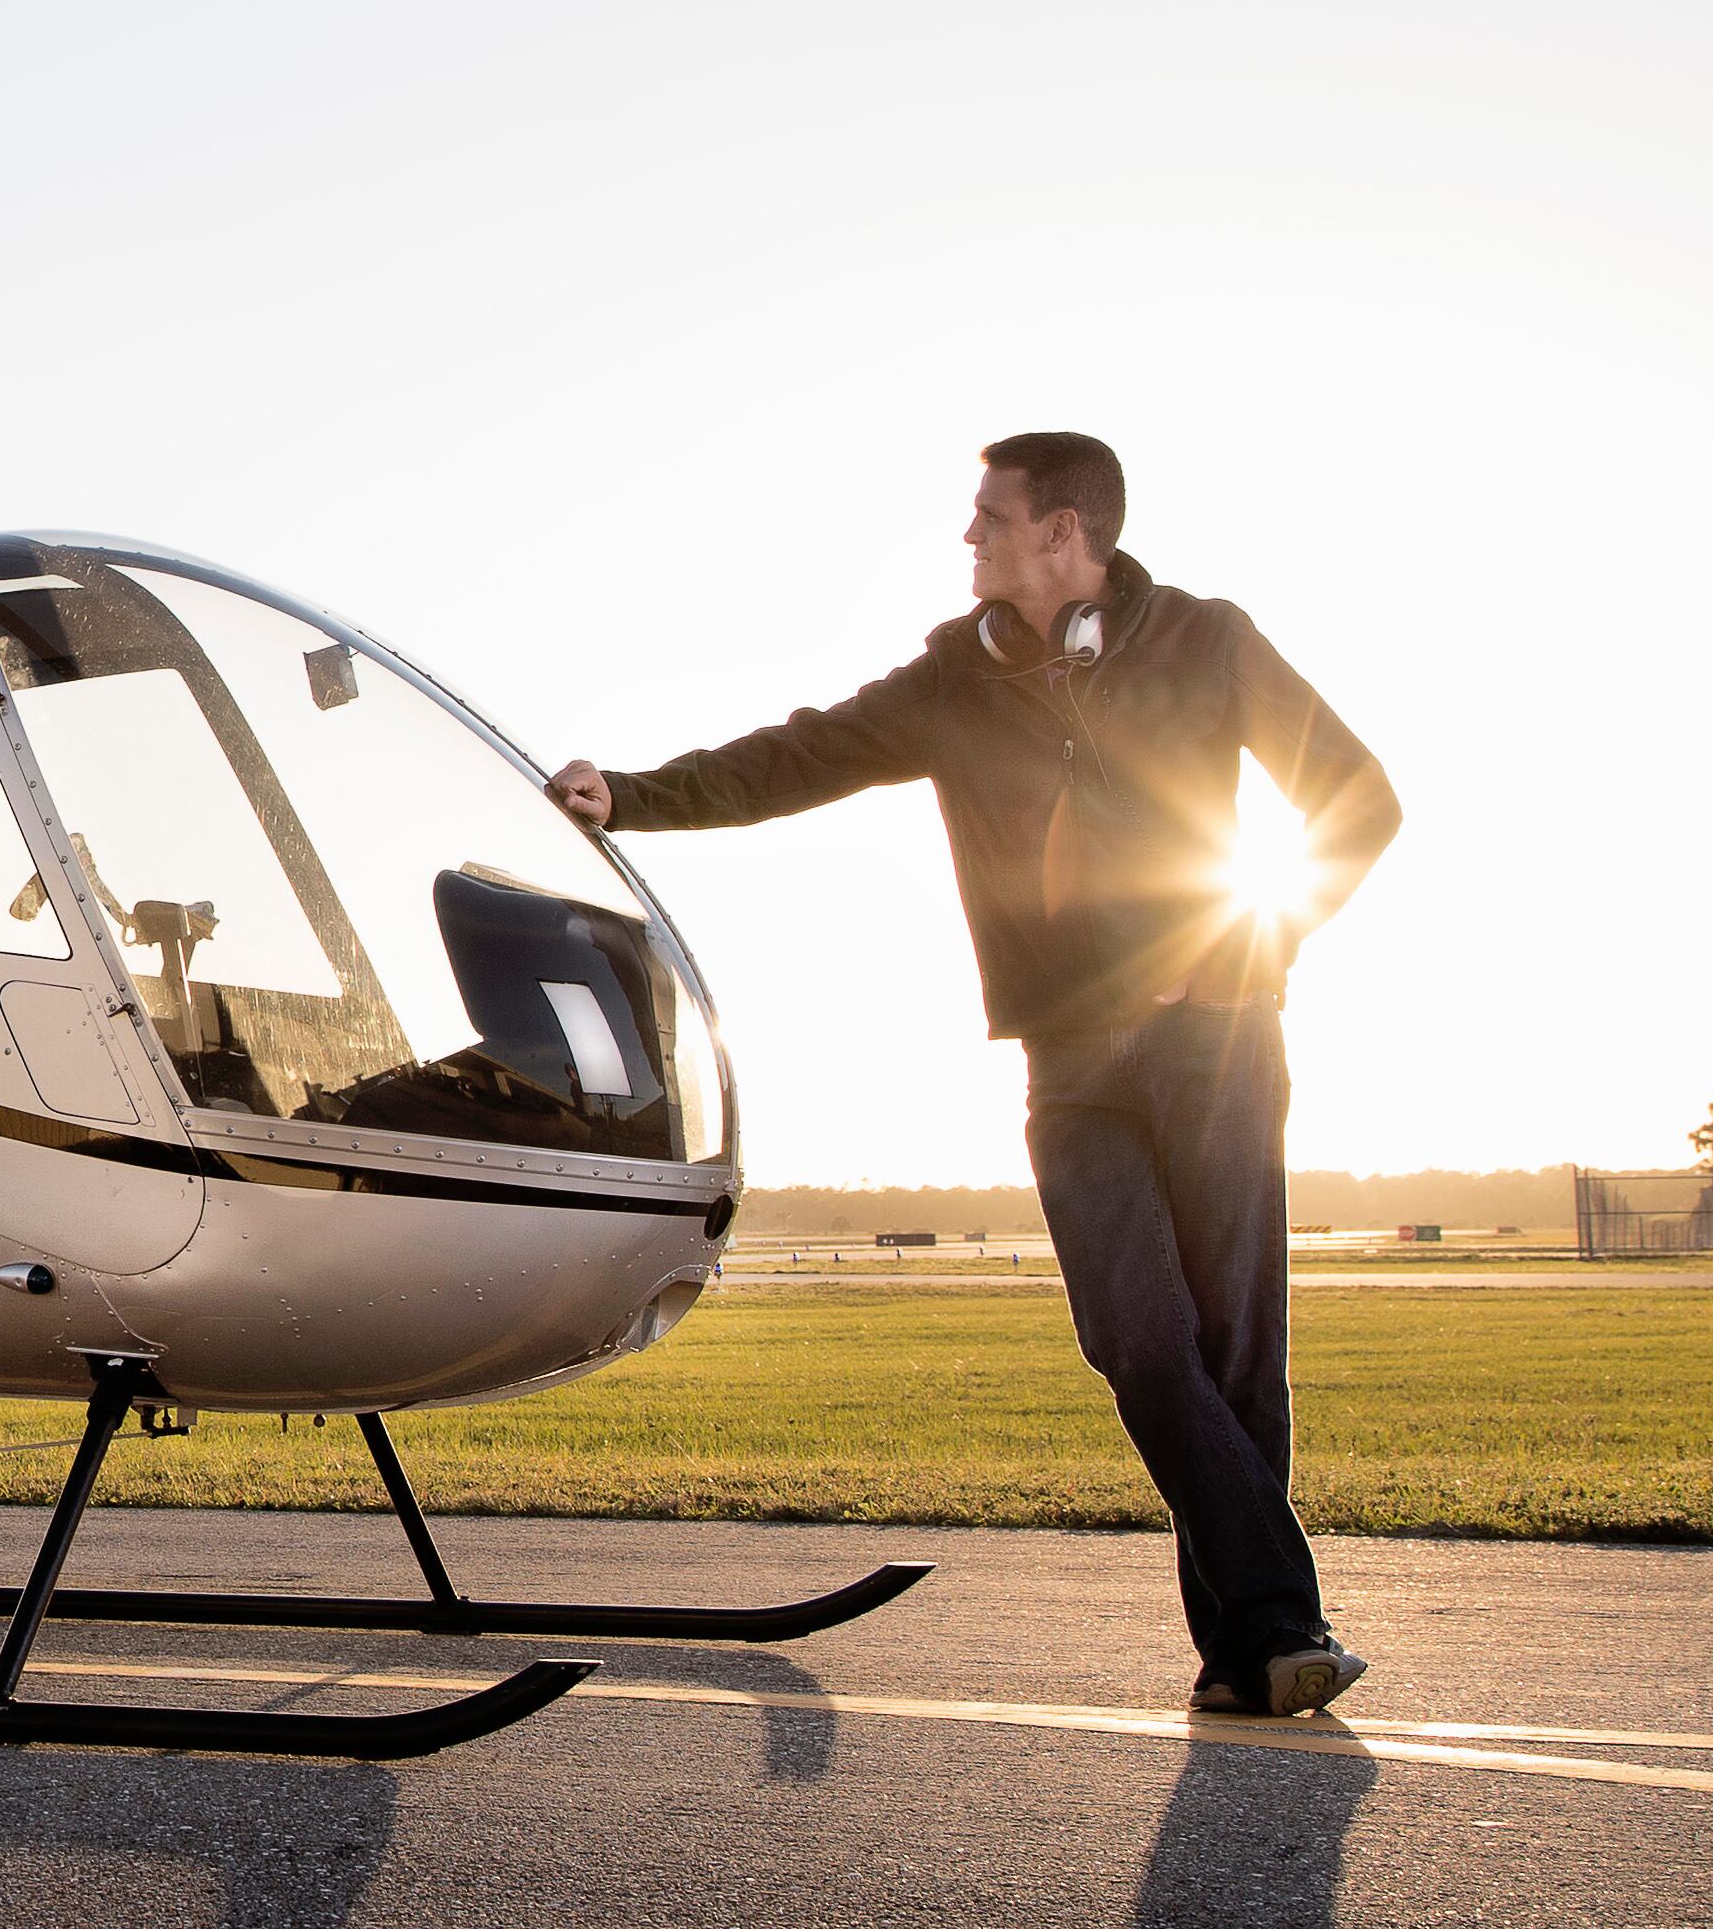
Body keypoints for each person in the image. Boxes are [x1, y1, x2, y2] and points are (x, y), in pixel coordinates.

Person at [545, 433, 1402, 1718]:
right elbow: (798, 754)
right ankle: (1277, 1618)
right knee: (1133, 1335)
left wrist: (1243, 940)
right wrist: (631, 795)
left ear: (1066, 533)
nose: (967, 541)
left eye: (989, 519)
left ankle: (1253, 1645)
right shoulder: (954, 678)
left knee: (1233, 1345)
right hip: (1067, 1049)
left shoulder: (1207, 641)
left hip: (1217, 1036)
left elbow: (1356, 800)